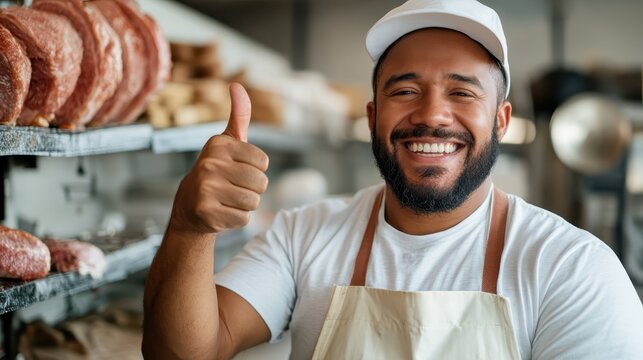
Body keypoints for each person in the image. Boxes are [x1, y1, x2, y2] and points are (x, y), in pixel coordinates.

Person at [142, 0, 643, 358]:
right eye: (404, 90)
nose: (432, 115)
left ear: (502, 120)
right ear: (372, 115)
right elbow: (185, 352)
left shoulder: (572, 270)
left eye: (462, 93)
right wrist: (189, 226)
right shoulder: (305, 235)